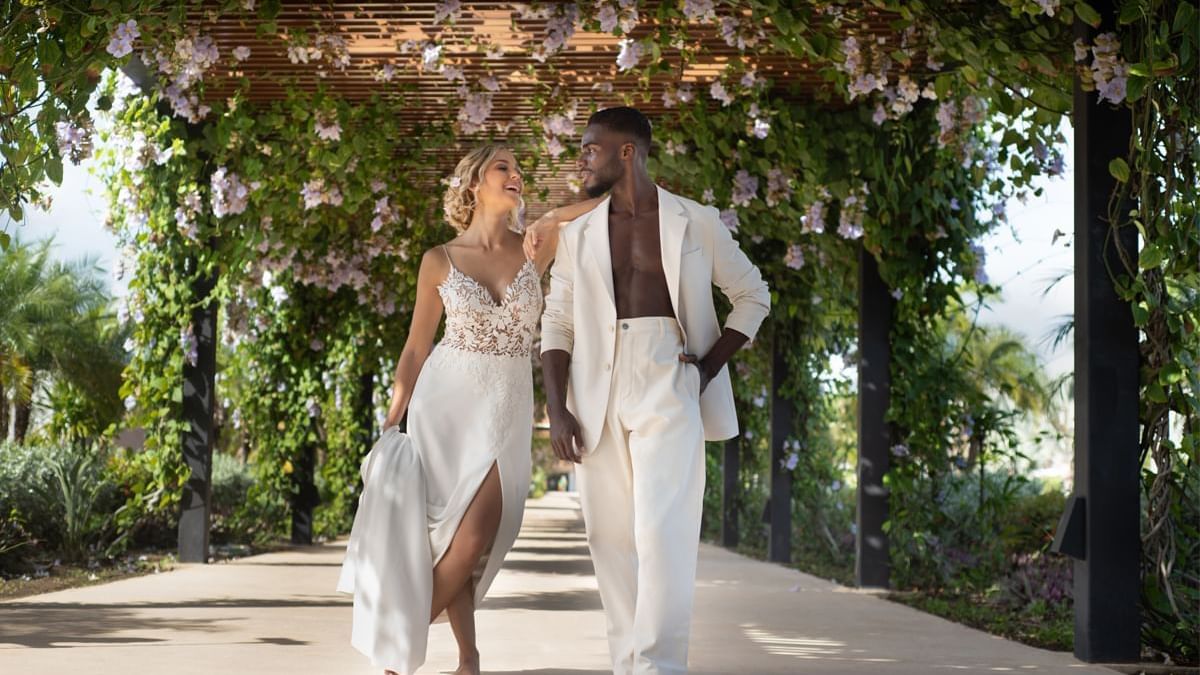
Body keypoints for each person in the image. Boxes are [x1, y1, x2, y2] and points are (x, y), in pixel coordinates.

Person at [337, 144, 602, 675]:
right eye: (504, 167)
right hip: (443, 406)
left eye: (520, 170)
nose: (517, 175)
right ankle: (467, 660)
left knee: (476, 534)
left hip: (504, 407)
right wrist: (394, 415)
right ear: (473, 183)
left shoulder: (536, 247)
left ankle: (393, 653)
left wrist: (554, 212)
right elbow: (416, 347)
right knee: (450, 535)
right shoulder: (439, 260)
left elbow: (602, 203)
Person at [532, 106, 770, 674]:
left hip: (669, 374)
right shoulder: (578, 236)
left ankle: (659, 667)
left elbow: (753, 295)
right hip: (596, 385)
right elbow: (557, 323)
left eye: (591, 148)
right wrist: (557, 408)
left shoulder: (696, 221)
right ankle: (627, 665)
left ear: (627, 152)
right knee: (609, 536)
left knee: (663, 532)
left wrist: (705, 369)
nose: (581, 158)